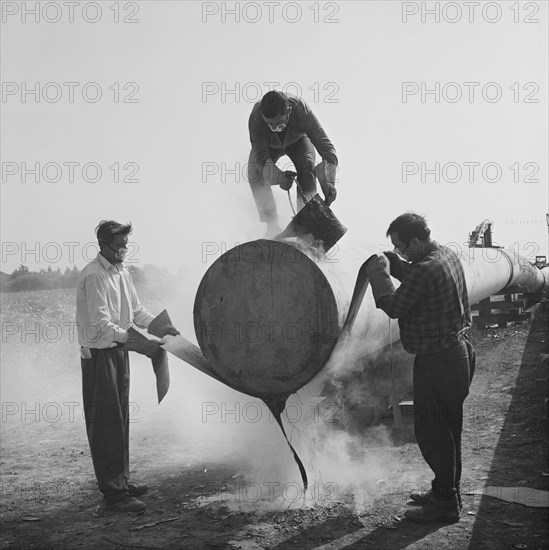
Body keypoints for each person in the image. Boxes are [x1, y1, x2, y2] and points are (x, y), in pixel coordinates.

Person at [365, 212, 475, 524]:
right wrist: (395, 262)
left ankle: (444, 504)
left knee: (433, 433)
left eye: (401, 247)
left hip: (438, 361)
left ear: (416, 241)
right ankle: (445, 491)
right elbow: (416, 275)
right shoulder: (445, 255)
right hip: (457, 355)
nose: (400, 253)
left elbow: (394, 304)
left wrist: (379, 272)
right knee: (449, 432)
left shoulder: (424, 270)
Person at [76, 220, 179, 512]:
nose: (123, 250)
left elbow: (135, 311)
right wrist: (139, 343)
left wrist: (161, 327)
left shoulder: (122, 272)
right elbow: (101, 325)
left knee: (120, 419)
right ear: (103, 246)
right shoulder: (94, 276)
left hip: (118, 349)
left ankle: (122, 480)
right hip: (99, 354)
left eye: (125, 245)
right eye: (119, 245)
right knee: (106, 423)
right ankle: (114, 496)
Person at [247, 90, 338, 236]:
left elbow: (327, 149)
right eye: (269, 125)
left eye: (279, 124)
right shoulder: (256, 119)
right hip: (269, 146)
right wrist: (279, 178)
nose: (274, 129)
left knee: (307, 167)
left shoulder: (302, 110)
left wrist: (329, 182)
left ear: (289, 111)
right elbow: (261, 160)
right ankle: (272, 224)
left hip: (298, 141)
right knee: (254, 172)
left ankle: (308, 224)